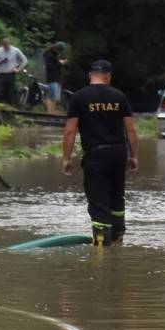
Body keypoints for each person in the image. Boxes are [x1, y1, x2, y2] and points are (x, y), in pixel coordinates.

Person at [60, 59, 138, 246]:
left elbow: (70, 131)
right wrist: (133, 155)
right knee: (116, 197)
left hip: (95, 154)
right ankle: (118, 239)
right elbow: (131, 130)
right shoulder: (119, 96)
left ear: (90, 76)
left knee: (98, 200)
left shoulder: (79, 97)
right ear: (108, 76)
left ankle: (102, 246)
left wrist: (66, 158)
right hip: (118, 152)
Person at [0, 39, 28, 106]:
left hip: (11, 74)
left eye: (7, 46)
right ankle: (0, 105)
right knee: (0, 91)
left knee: (10, 91)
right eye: (4, 46)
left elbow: (24, 60)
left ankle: (10, 105)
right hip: (1, 73)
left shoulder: (15, 50)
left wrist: (18, 69)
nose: (5, 48)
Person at [42, 42, 65, 114]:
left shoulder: (55, 55)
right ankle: (49, 113)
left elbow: (56, 65)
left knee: (55, 98)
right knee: (50, 97)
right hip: (52, 78)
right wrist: (60, 63)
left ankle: (52, 113)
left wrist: (60, 63)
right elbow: (50, 67)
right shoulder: (49, 55)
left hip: (57, 78)